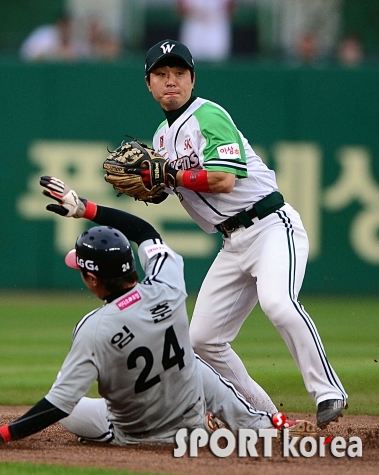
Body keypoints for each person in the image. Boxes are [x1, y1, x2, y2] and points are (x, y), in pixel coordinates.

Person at [0, 176, 315, 446]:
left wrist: (0, 435)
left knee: (74, 408)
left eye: (82, 271)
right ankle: (265, 425)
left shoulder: (93, 328)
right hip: (190, 416)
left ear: (94, 280)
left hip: (139, 436)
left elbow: (57, 405)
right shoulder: (168, 282)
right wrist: (86, 208)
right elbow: (144, 230)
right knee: (196, 365)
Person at [141, 39, 348, 428]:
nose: (172, 81)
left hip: (271, 225)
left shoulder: (208, 115)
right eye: (162, 75)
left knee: (278, 303)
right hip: (232, 242)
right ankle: (265, 417)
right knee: (202, 339)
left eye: (179, 73)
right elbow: (165, 186)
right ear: (149, 84)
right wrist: (148, 185)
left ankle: (328, 391)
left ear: (192, 79)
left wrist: (168, 174)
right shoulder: (160, 138)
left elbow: (222, 180)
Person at [19, 14, 88, 62]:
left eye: (69, 27)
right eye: (64, 26)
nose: (67, 30)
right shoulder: (44, 36)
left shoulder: (76, 40)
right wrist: (54, 54)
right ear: (58, 24)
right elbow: (27, 54)